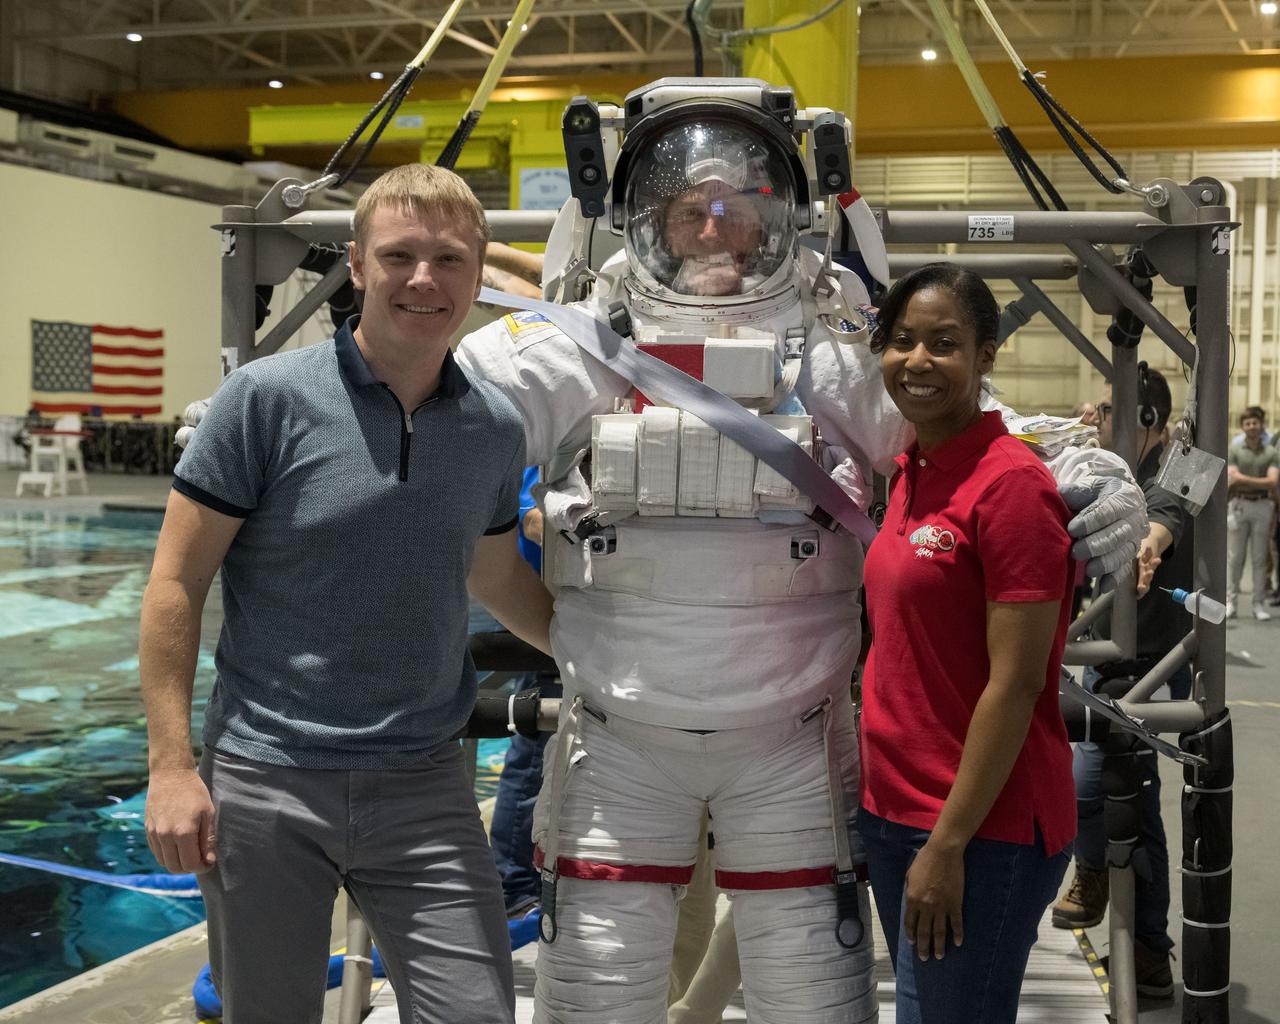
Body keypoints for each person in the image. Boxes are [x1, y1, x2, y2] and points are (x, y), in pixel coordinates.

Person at [453, 79, 1144, 1024]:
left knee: (812, 1002)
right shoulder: (581, 343)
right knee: (593, 1001)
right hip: (618, 743)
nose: (712, 230)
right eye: (689, 209)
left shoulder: (829, 345)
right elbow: (425, 413)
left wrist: (1085, 466)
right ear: (645, 219)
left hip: (790, 742)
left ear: (780, 217)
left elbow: (970, 430)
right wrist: (289, 422)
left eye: (739, 208)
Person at [141, 163, 553, 1024]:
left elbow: (491, 573)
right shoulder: (264, 399)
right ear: (357, 266)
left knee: (477, 1010)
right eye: (399, 255)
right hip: (267, 779)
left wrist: (608, 653)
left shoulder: (493, 426)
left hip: (427, 785)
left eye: (448, 259)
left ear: (479, 277)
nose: (423, 279)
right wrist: (172, 767)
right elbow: (177, 582)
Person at [856, 264, 1076, 1024]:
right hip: (895, 811)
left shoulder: (1010, 485)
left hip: (978, 828)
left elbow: (1015, 685)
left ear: (986, 357)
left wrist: (948, 845)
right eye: (902, 341)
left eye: (945, 344)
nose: (918, 362)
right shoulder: (911, 471)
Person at [1051, 365, 1189, 998]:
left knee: (1099, 788)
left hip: (1153, 662)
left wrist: (1147, 546)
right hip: (1103, 651)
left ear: (1148, 421)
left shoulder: (1185, 463)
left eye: (1110, 412)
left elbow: (1166, 513)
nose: (1097, 419)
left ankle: (1101, 886)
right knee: (1128, 806)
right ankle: (1150, 953)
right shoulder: (1107, 464)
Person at [489, 466, 564, 918]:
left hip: (569, 621)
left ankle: (520, 879)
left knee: (540, 747)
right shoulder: (539, 449)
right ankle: (515, 884)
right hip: (551, 622)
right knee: (535, 747)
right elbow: (530, 520)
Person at [1226, 406, 1279, 620]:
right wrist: (1258, 482)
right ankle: (1231, 603)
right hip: (1239, 505)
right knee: (1235, 557)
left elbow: (1273, 481)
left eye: (1255, 423)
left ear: (1261, 425)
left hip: (1263, 506)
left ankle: (1258, 605)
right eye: (1247, 423)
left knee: (1259, 558)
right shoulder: (1235, 450)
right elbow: (1231, 478)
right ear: (1243, 427)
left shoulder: (1271, 452)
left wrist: (1243, 480)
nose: (1252, 427)